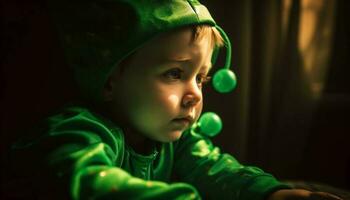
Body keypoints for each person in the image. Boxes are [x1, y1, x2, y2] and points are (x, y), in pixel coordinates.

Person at [11, 0, 343, 200]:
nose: (195, 94)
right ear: (109, 79)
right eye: (174, 73)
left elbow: (216, 171)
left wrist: (271, 193)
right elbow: (86, 179)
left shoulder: (180, 143)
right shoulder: (76, 131)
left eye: (201, 78)